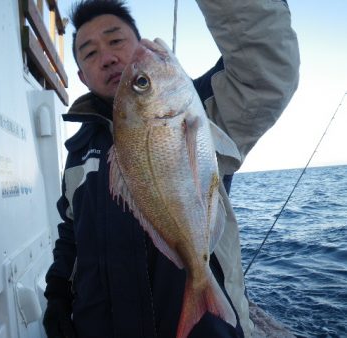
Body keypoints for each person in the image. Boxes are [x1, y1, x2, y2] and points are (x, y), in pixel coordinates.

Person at [43, 0, 299, 337]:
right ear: (81, 77)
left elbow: (263, 68)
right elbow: (71, 236)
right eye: (90, 53)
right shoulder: (78, 154)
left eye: (116, 40)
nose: (107, 57)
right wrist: (58, 298)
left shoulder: (203, 109)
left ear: (139, 43)